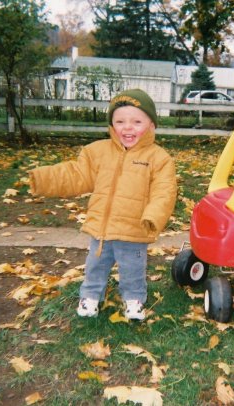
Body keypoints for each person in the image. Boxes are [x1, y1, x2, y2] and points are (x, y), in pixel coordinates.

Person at [28, 89, 177, 321]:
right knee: (95, 266)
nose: (127, 127)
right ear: (112, 125)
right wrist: (43, 179)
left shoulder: (158, 158)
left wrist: (153, 216)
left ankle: (134, 299)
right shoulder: (97, 152)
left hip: (133, 229)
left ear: (151, 125)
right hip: (101, 230)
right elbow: (76, 174)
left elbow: (164, 191)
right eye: (120, 121)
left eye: (136, 121)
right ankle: (89, 296)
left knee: (132, 269)